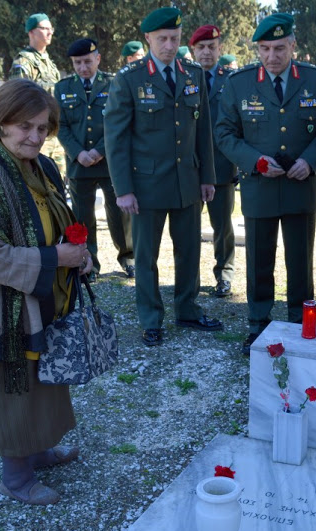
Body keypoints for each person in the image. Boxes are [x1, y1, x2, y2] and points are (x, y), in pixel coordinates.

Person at [0, 79, 93, 505]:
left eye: (42, 127)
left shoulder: (41, 165)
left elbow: (60, 217)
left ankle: (38, 450)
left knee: (42, 381)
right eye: (24, 127)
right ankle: (15, 477)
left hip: (38, 295)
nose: (35, 137)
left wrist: (80, 254)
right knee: (11, 390)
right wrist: (56, 258)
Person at [215, 12, 316, 354]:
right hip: (259, 187)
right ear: (257, 48)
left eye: (280, 48)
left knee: (300, 261)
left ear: (293, 46)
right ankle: (259, 324)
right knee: (259, 260)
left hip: (301, 186)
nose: (272, 57)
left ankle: (301, 324)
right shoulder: (239, 83)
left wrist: (310, 161)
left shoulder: (315, 81)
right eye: (265, 49)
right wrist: (254, 161)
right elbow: (224, 133)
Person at [104, 7, 221, 347]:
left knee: (189, 251)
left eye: (174, 38)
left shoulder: (192, 75)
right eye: (162, 39)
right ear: (149, 40)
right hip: (146, 185)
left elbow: (203, 131)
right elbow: (117, 138)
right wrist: (123, 190)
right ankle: (151, 318)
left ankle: (187, 309)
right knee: (146, 257)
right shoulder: (130, 78)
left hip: (187, 181)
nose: (169, 45)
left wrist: (207, 177)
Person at [55, 38, 134, 281]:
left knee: (120, 214)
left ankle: (128, 257)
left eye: (87, 61)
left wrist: (100, 151)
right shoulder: (63, 87)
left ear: (98, 59)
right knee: (82, 218)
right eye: (77, 63)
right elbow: (61, 125)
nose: (82, 67)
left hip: (110, 164)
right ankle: (88, 264)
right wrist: (78, 152)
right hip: (79, 165)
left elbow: (120, 123)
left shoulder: (114, 83)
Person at [189, 24, 238, 298]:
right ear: (193, 50)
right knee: (189, 228)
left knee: (223, 227)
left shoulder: (231, 80)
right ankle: (190, 278)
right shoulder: (184, 78)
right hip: (191, 166)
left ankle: (224, 275)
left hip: (221, 165)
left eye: (211, 46)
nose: (206, 52)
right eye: (201, 47)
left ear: (220, 48)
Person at [10, 14, 63, 171]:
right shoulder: (23, 62)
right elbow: (19, 100)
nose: (49, 32)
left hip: (53, 132)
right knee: (36, 179)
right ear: (31, 32)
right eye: (44, 28)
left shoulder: (49, 63)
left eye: (50, 28)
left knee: (56, 180)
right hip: (35, 135)